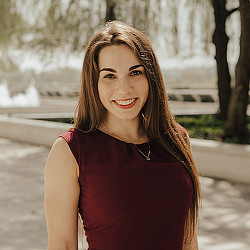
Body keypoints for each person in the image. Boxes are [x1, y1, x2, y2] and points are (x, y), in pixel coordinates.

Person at [44, 21, 201, 250]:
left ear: (151, 77)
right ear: (93, 82)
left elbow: (188, 239)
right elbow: (63, 245)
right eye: (110, 76)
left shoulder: (176, 139)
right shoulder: (70, 151)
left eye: (135, 72)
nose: (124, 89)